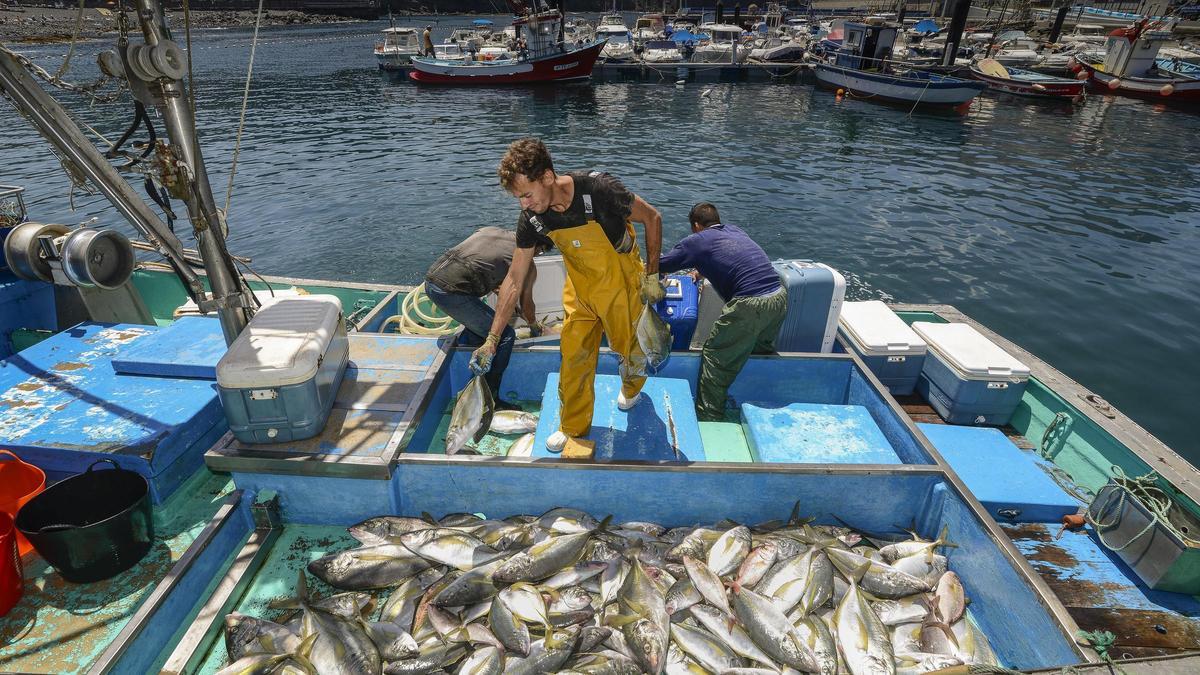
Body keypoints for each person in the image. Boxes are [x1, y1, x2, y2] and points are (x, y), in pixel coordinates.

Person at [470, 138, 665, 453]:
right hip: (580, 286)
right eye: (518, 198)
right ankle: (573, 425)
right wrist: (492, 338)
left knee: (631, 349)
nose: (524, 204)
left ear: (547, 177)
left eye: (527, 194)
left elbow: (652, 217)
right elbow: (514, 278)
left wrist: (652, 275)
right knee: (573, 355)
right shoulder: (533, 218)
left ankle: (632, 389)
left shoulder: (599, 190)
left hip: (621, 281)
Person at [659, 202, 787, 421]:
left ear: (696, 225)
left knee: (715, 360)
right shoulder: (734, 230)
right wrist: (700, 272)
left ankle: (710, 418)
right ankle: (753, 397)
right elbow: (729, 255)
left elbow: (662, 264)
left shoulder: (696, 241)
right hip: (778, 297)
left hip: (750, 305)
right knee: (757, 351)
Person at [425, 227, 543, 410]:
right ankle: (491, 401)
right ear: (538, 249)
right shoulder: (527, 263)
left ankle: (470, 390)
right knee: (505, 336)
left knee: (480, 333)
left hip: (432, 281)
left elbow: (481, 263)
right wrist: (534, 326)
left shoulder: (491, 230)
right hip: (451, 293)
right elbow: (527, 306)